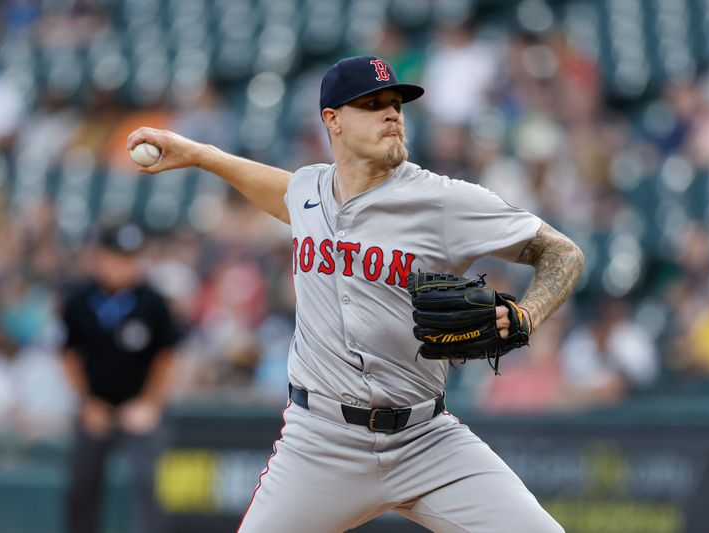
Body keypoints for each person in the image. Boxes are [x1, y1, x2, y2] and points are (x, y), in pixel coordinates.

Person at [127, 55, 583, 533]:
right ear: (333, 120)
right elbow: (281, 192)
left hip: (426, 440)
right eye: (373, 103)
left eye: (396, 104)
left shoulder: (444, 201)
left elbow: (561, 252)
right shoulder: (309, 190)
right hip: (321, 443)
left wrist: (528, 314)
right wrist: (201, 155)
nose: (392, 114)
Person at [60, 223, 181, 533]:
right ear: (99, 257)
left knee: (147, 483)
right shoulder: (80, 299)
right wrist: (87, 403)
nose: (122, 266)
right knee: (81, 485)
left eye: (129, 258)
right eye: (115, 257)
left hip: (139, 409)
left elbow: (166, 356)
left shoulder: (152, 302)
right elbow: (69, 354)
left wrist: (149, 404)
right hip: (95, 408)